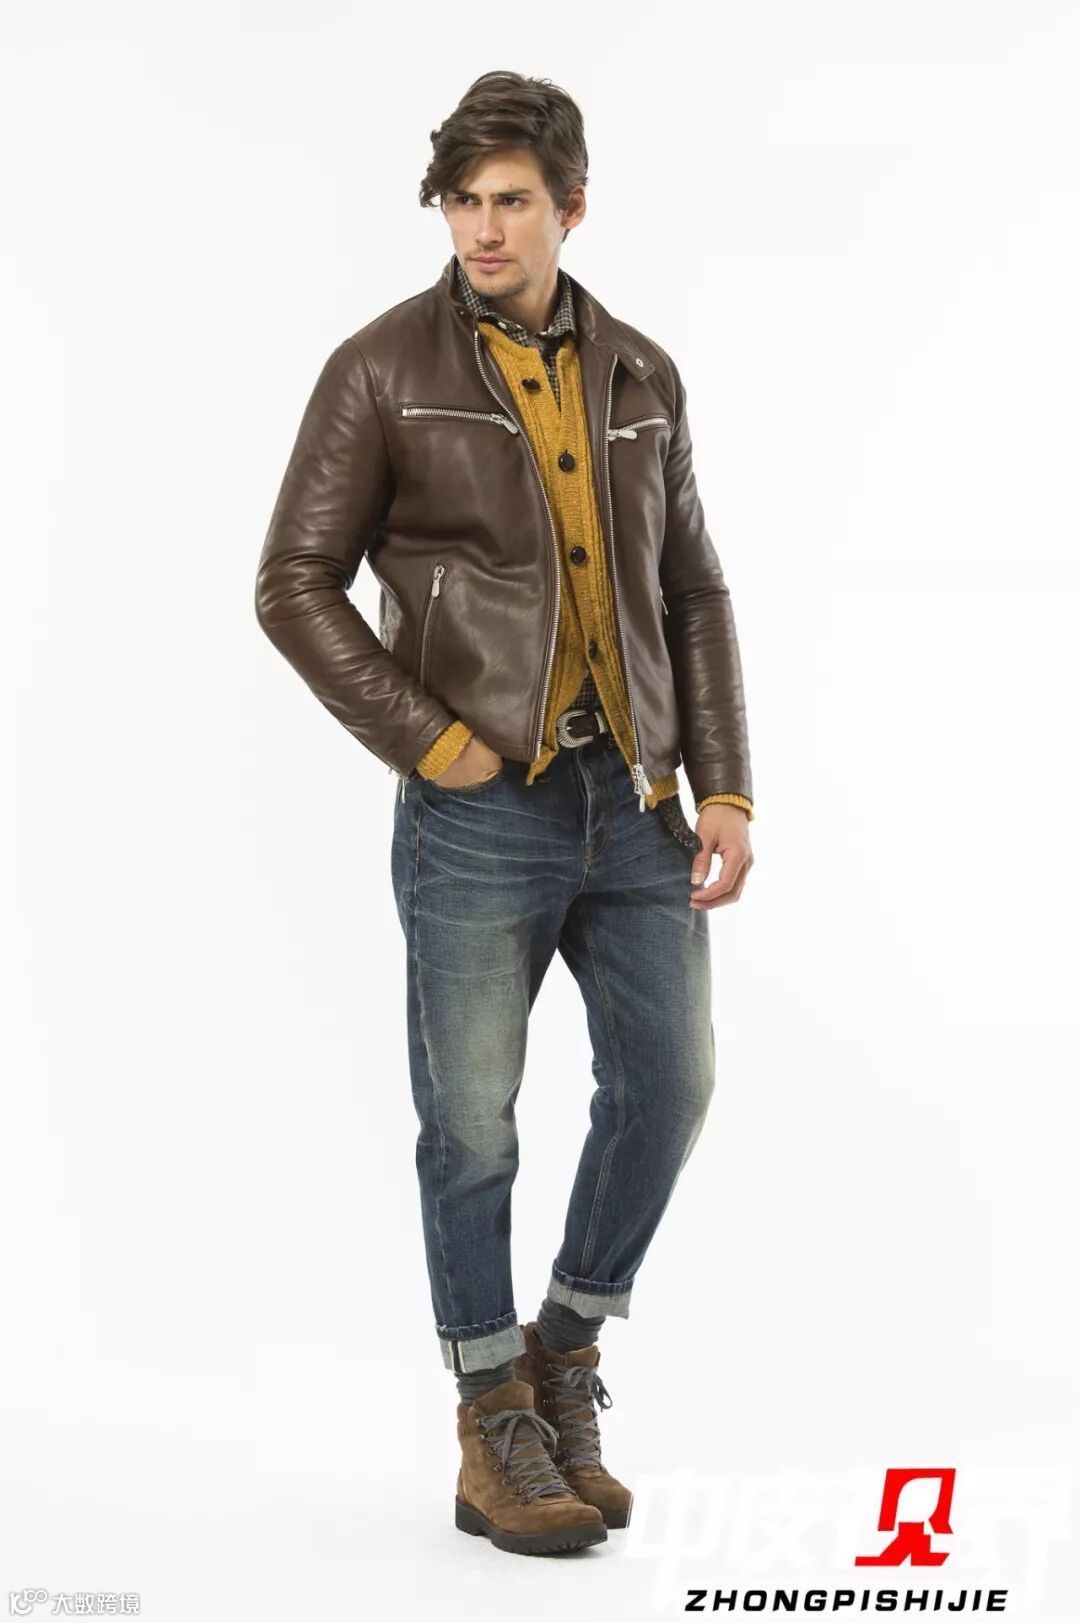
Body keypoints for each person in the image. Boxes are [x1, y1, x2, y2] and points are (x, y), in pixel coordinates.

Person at [255, 70, 755, 1557]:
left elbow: (694, 589)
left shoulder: (644, 374)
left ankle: (563, 1352)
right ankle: (490, 1417)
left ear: (570, 207)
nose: (484, 226)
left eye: (513, 200)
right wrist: (433, 742)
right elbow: (292, 582)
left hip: (639, 800)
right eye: (464, 200)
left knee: (671, 1087)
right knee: (471, 1126)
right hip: (479, 809)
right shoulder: (379, 369)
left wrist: (723, 780)